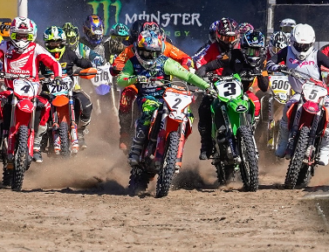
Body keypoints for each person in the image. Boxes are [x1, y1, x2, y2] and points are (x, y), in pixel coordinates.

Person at [117, 29, 209, 166]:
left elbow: (188, 75)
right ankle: (135, 149)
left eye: (153, 53)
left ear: (159, 51)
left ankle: (175, 149)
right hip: (146, 97)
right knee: (148, 113)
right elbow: (120, 80)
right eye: (146, 52)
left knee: (186, 114)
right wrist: (135, 78)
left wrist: (206, 86)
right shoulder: (133, 62)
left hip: (165, 97)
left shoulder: (165, 62)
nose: (149, 56)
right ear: (138, 49)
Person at [0, 17, 62, 161]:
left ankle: (36, 143)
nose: (21, 39)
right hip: (11, 88)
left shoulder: (36, 48)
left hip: (31, 90)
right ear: (12, 34)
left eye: (25, 36)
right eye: (18, 35)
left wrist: (57, 76)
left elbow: (54, 63)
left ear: (31, 36)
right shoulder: (4, 46)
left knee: (45, 105)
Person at [111, 20, 193, 152]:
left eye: (155, 38)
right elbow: (118, 62)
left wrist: (185, 68)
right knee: (126, 95)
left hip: (163, 85)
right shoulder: (131, 48)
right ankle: (125, 133)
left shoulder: (167, 47)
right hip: (138, 84)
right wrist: (118, 68)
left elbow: (186, 58)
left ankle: (176, 137)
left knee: (183, 100)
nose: (151, 42)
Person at [196, 30, 269, 160]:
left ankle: (251, 137)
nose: (254, 54)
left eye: (257, 51)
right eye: (251, 51)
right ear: (244, 49)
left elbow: (264, 87)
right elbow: (211, 65)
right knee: (205, 106)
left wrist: (262, 72)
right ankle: (206, 145)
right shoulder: (231, 55)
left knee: (257, 104)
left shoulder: (262, 61)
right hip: (223, 92)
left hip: (244, 93)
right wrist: (201, 73)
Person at [267, 24, 329, 165]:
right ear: (292, 42)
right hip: (299, 93)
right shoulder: (287, 51)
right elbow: (271, 61)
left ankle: (326, 148)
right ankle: (283, 143)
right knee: (287, 107)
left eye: (304, 45)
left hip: (318, 93)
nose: (301, 48)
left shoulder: (317, 54)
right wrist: (275, 66)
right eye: (298, 44)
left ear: (311, 43)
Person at [40, 26, 94, 150]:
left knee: (87, 104)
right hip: (48, 89)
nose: (55, 46)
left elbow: (80, 61)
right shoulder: (42, 54)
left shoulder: (69, 52)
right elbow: (34, 67)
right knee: (38, 107)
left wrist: (89, 65)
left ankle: (80, 131)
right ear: (46, 43)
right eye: (51, 43)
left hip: (71, 87)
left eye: (57, 42)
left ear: (63, 42)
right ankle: (42, 137)